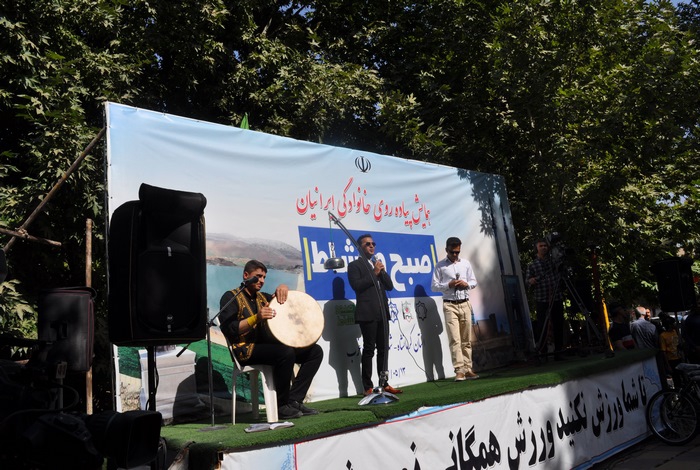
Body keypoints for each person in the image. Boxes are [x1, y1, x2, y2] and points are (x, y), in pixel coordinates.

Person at [219, 260, 323, 419]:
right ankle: (281, 406)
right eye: (258, 276)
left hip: (267, 347)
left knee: (315, 352)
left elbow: (283, 302)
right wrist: (256, 318)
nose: (261, 280)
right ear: (246, 275)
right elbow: (230, 329)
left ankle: (294, 400)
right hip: (245, 350)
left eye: (264, 277)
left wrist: (283, 288)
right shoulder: (231, 297)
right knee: (285, 353)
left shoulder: (263, 297)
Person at [347, 234, 402, 396]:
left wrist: (381, 272)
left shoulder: (376, 264)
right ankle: (367, 387)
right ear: (360, 247)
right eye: (367, 244)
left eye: (373, 243)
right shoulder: (354, 266)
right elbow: (357, 286)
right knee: (369, 349)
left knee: (383, 349)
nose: (372, 246)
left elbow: (390, 286)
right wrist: (374, 272)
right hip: (367, 313)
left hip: (382, 313)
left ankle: (384, 383)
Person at [431, 237, 479, 381]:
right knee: (455, 339)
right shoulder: (440, 266)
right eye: (452, 252)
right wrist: (449, 285)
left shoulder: (465, 263)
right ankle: (459, 370)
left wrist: (466, 284)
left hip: (465, 303)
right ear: (446, 250)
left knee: (466, 339)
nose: (455, 255)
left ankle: (468, 369)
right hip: (450, 304)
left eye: (457, 252)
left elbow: (474, 281)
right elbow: (434, 286)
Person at [525, 238, 565, 359]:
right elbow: (527, 281)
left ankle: (559, 351)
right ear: (536, 248)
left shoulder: (553, 262)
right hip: (541, 299)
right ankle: (543, 353)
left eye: (545, 246)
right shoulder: (532, 265)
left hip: (556, 297)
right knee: (542, 325)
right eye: (541, 246)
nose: (543, 248)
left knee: (558, 323)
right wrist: (531, 281)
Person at [659, 315, 682, 388]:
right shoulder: (663, 336)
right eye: (673, 323)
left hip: (679, 357)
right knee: (676, 378)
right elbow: (663, 351)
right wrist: (667, 365)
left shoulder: (675, 332)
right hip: (672, 360)